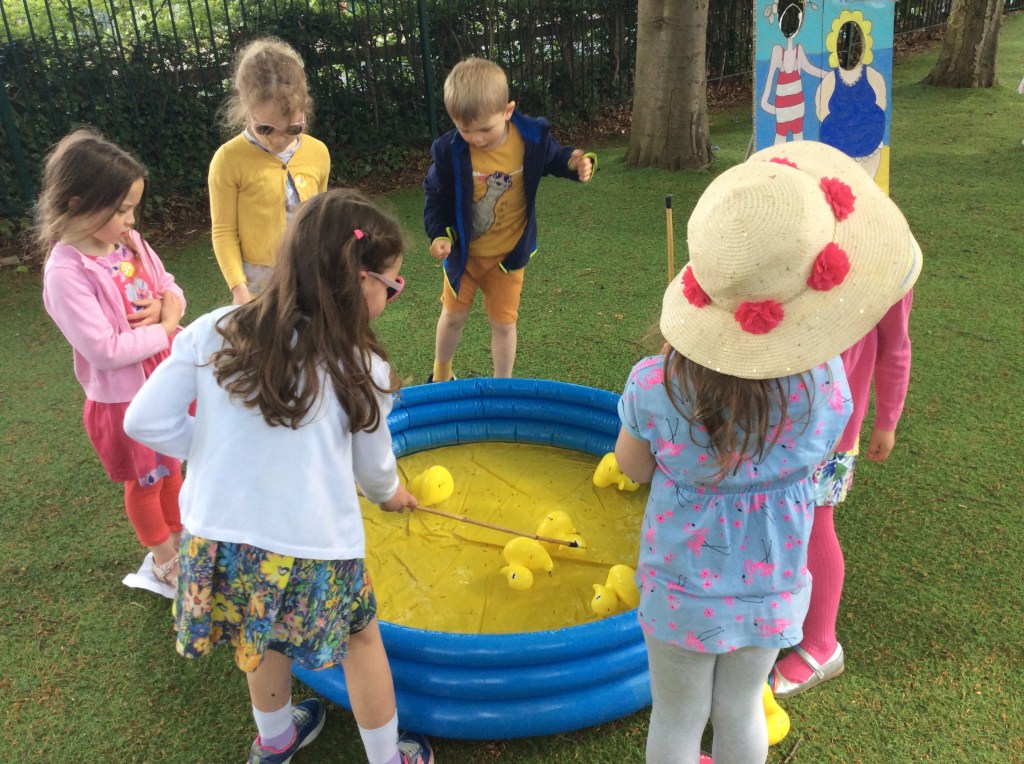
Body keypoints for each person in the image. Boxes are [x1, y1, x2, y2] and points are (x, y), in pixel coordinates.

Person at [613, 140, 921, 764]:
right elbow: (821, 450)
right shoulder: (825, 385)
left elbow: (632, 466)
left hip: (678, 596)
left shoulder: (653, 383)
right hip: (773, 590)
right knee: (740, 709)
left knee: (676, 717)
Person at [124, 189, 433, 764]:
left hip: (220, 537)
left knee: (258, 633)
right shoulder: (361, 366)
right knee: (360, 640)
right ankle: (388, 757)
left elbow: (143, 420)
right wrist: (392, 496)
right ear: (359, 280)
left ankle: (275, 742)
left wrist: (210, 450)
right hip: (312, 543)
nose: (392, 295)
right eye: (392, 285)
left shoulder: (215, 328)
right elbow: (374, 472)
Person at [40, 128, 186, 589]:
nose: (130, 219)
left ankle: (181, 537)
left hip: (163, 379)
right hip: (124, 399)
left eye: (132, 208)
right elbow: (104, 351)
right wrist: (165, 328)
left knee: (173, 467)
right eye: (121, 209)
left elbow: (169, 287)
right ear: (78, 203)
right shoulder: (65, 273)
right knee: (147, 480)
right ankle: (164, 558)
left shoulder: (131, 243)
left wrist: (166, 308)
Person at [767, 289, 913, 697]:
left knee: (815, 520)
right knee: (772, 512)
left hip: (830, 427)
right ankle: (778, 608)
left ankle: (822, 644)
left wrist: (887, 420)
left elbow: (895, 346)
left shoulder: (885, 271)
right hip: (773, 412)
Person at [423, 56, 595, 381]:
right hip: (464, 257)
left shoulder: (531, 137)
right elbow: (436, 193)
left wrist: (574, 164)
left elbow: (555, 157)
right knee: (453, 316)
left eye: (485, 129)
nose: (476, 138)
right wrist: (440, 233)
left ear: (507, 110)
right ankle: (441, 373)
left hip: (507, 258)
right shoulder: (449, 150)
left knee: (503, 324)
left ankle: (503, 385)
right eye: (465, 130)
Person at [210, 36, 330, 305]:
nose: (278, 140)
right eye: (265, 129)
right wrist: (239, 289)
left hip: (310, 273)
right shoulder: (228, 159)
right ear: (246, 109)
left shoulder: (318, 152)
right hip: (257, 282)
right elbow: (224, 231)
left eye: (293, 128)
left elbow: (319, 219)